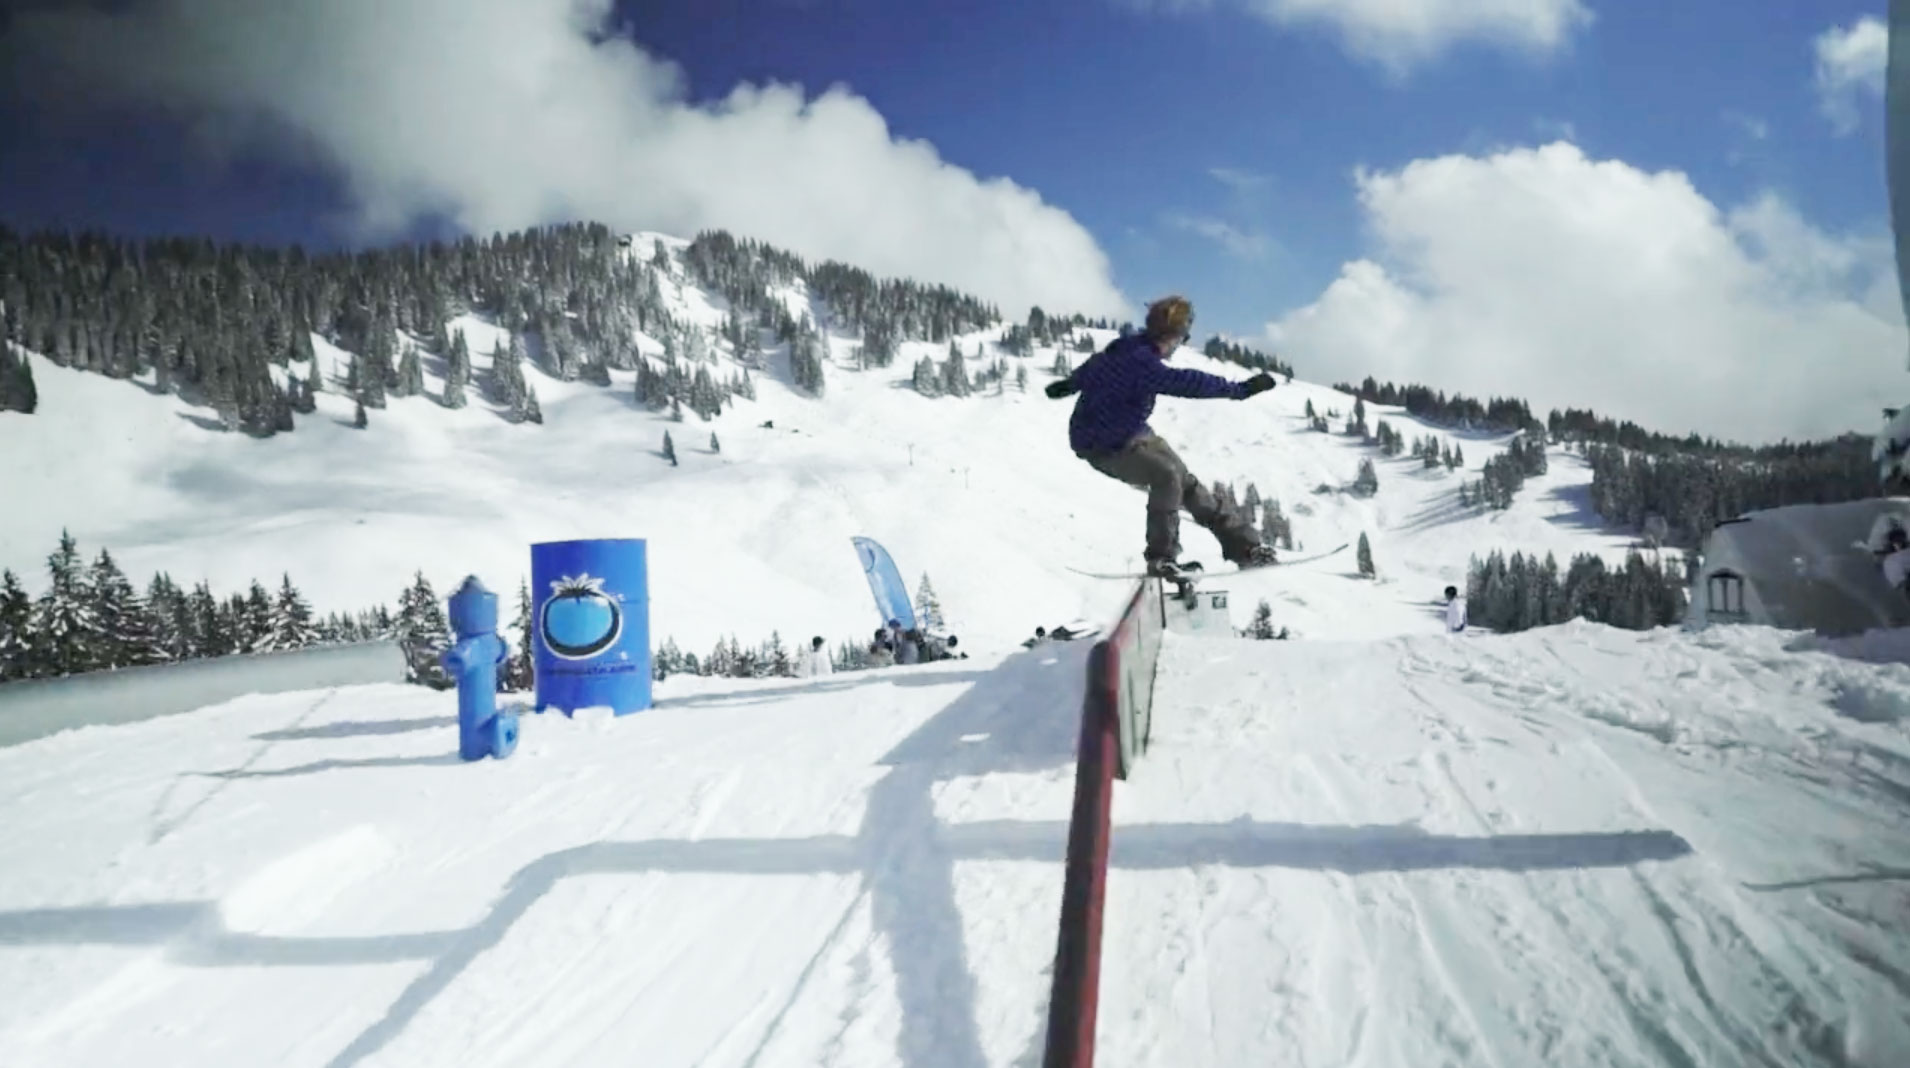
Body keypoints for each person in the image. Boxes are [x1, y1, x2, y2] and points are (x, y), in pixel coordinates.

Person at [1046, 295, 1279, 578]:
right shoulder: (1142, 363)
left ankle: (1244, 547)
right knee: (1166, 476)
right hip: (1102, 446)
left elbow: (1094, 366)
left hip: (1132, 433)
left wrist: (1069, 384)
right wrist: (1239, 390)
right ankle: (1161, 557)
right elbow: (1189, 383)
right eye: (1183, 338)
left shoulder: (1126, 347)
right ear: (1174, 335)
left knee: (1187, 483)